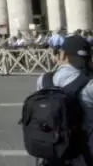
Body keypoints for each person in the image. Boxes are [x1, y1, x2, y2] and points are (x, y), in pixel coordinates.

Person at [25, 35, 93, 165]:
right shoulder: (88, 85)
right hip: (83, 155)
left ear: (63, 55)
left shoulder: (44, 80)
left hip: (50, 151)